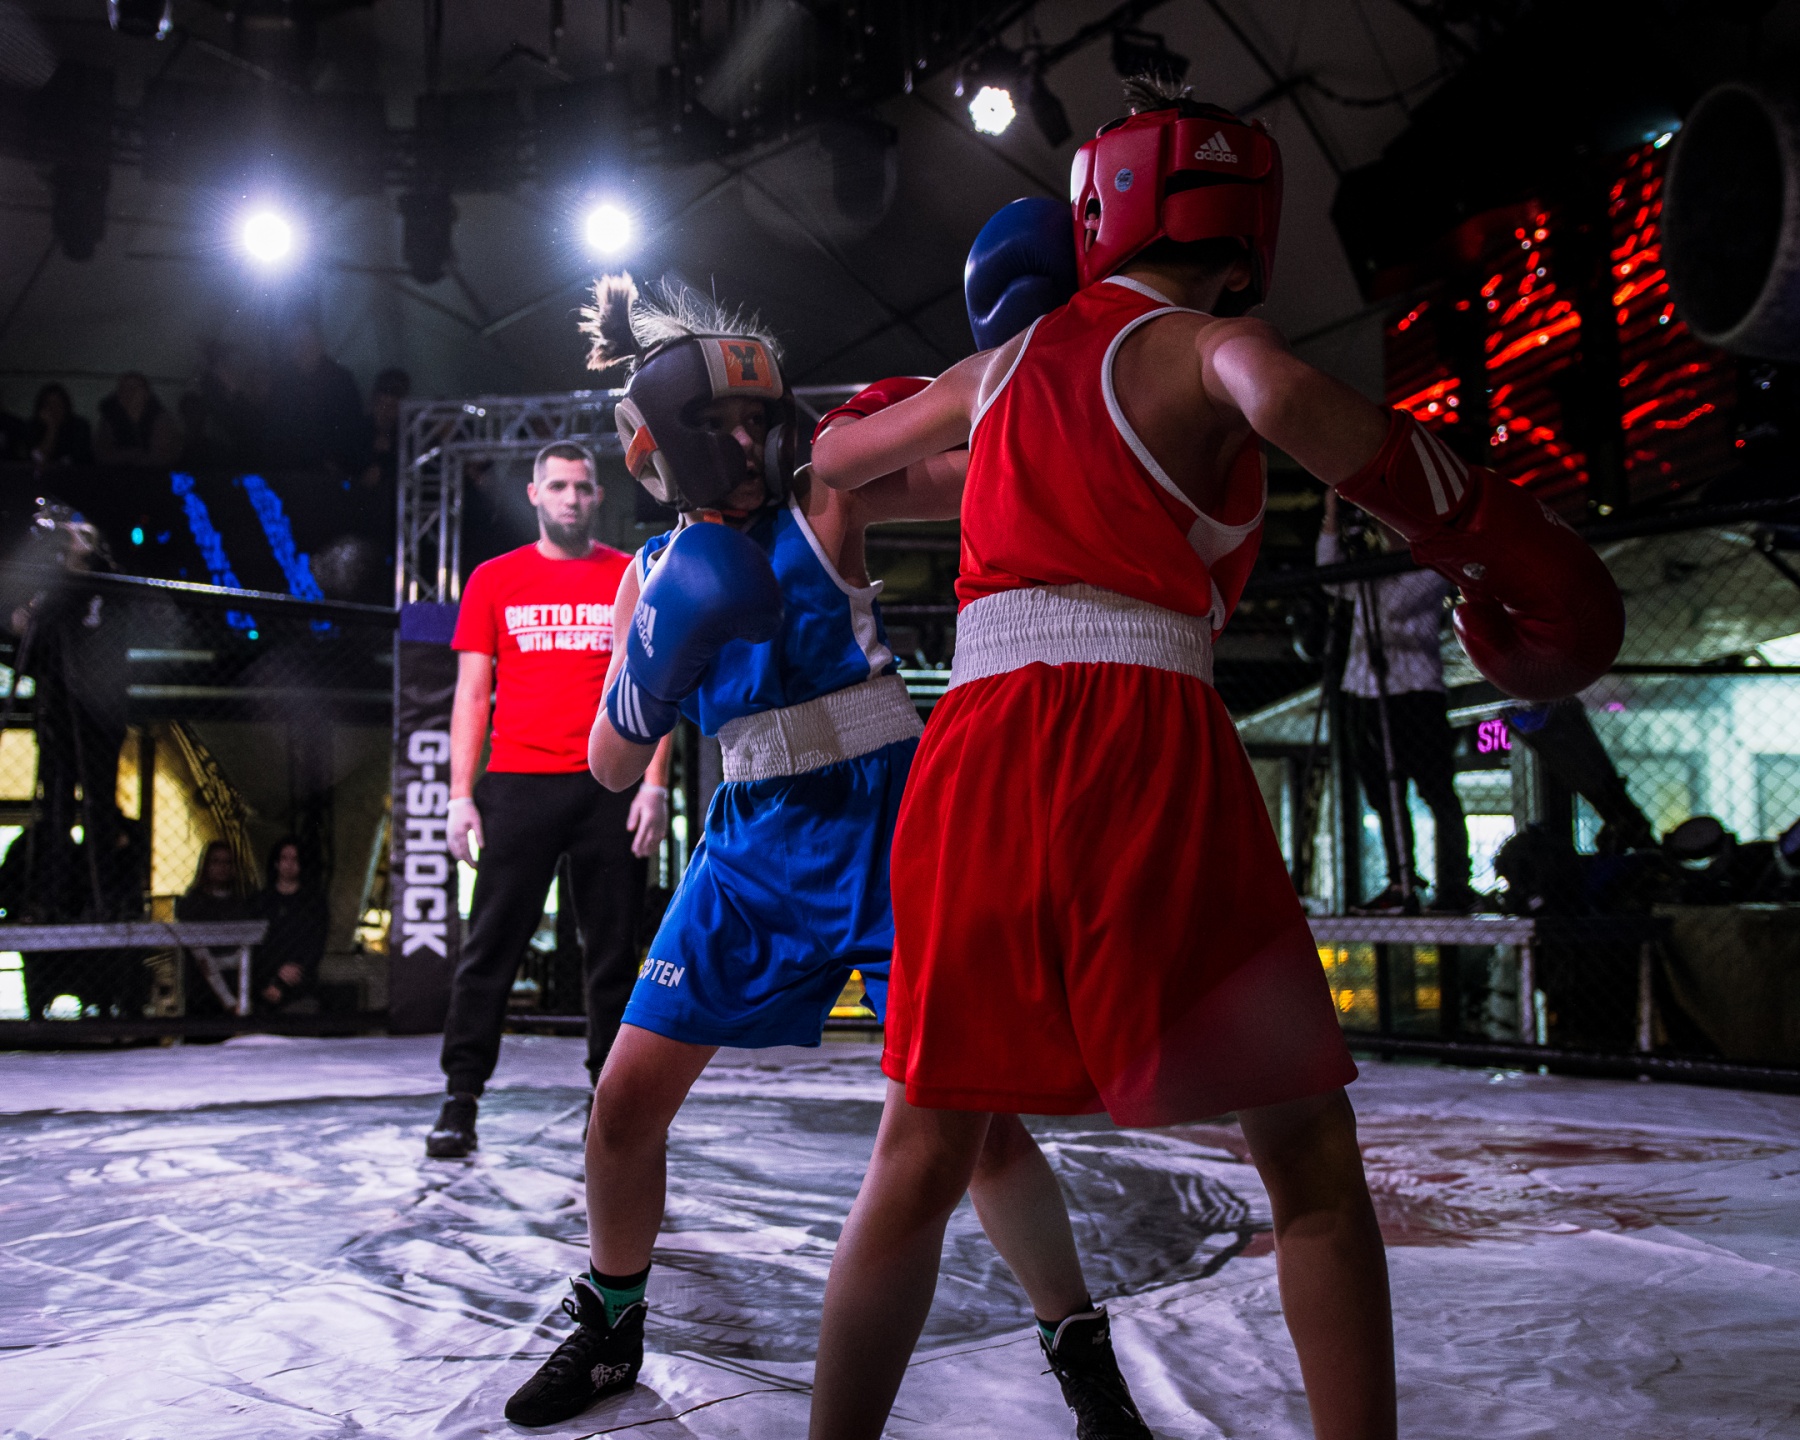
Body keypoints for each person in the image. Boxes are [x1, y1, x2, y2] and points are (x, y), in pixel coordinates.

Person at [803, 77, 1623, 1440]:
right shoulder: (1214, 348)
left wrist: (924, 396)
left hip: (982, 748)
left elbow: (840, 464)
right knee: (1304, 1154)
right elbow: (1291, 397)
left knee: (924, 1148)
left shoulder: (997, 374)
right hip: (1141, 737)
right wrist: (1493, 537)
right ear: (1246, 232)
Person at [502, 278, 1145, 1436]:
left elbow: (981, 465)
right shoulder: (646, 577)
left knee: (980, 1131)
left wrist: (1025, 378)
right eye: (721, 426)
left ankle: (1080, 1352)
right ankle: (610, 1327)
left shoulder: (823, 497)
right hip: (749, 853)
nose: (748, 444)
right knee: (622, 1106)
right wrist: (654, 669)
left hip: (895, 835)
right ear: (666, 447)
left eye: (758, 420)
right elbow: (606, 762)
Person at [427, 439, 673, 1159]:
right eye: (558, 486)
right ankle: (460, 1097)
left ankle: (610, 1103)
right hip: (517, 782)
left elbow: (656, 682)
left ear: (599, 496)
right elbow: (471, 693)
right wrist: (458, 796)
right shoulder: (494, 579)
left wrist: (655, 783)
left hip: (608, 783)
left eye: (582, 486)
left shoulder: (630, 574)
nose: (571, 497)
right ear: (535, 494)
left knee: (613, 953)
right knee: (490, 948)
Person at [1317, 489, 1475, 913]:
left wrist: (1369, 559)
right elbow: (1328, 575)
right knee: (1382, 794)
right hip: (1365, 691)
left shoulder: (1429, 566)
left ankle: (1454, 884)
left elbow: (1394, 608)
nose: (1380, 523)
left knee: (1435, 789)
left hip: (1415, 693)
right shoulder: (1369, 571)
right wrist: (1332, 516)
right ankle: (1401, 881)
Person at [177, 839, 260, 1015]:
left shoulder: (240, 904)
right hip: (201, 992)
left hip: (235, 985)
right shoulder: (193, 903)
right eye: (216, 861)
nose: (222, 867)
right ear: (206, 866)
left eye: (227, 862)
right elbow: (199, 952)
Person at [256, 836, 329, 1013]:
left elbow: (315, 945)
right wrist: (274, 971)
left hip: (300, 984)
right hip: (263, 981)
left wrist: (288, 974)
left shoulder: (314, 903)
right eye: (284, 858)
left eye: (295, 859)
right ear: (276, 862)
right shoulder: (259, 902)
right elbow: (256, 945)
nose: (289, 864)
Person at [94, 371, 183, 468]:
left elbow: (165, 456)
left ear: (146, 393)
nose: (128, 393)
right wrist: (130, 455)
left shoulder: (161, 419)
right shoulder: (109, 419)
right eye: (123, 389)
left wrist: (133, 457)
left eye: (134, 388)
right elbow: (101, 453)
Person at [28, 383, 93, 467]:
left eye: (58, 404)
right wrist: (51, 429)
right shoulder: (33, 427)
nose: (53, 409)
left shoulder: (79, 426)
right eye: (49, 405)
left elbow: (78, 459)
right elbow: (37, 458)